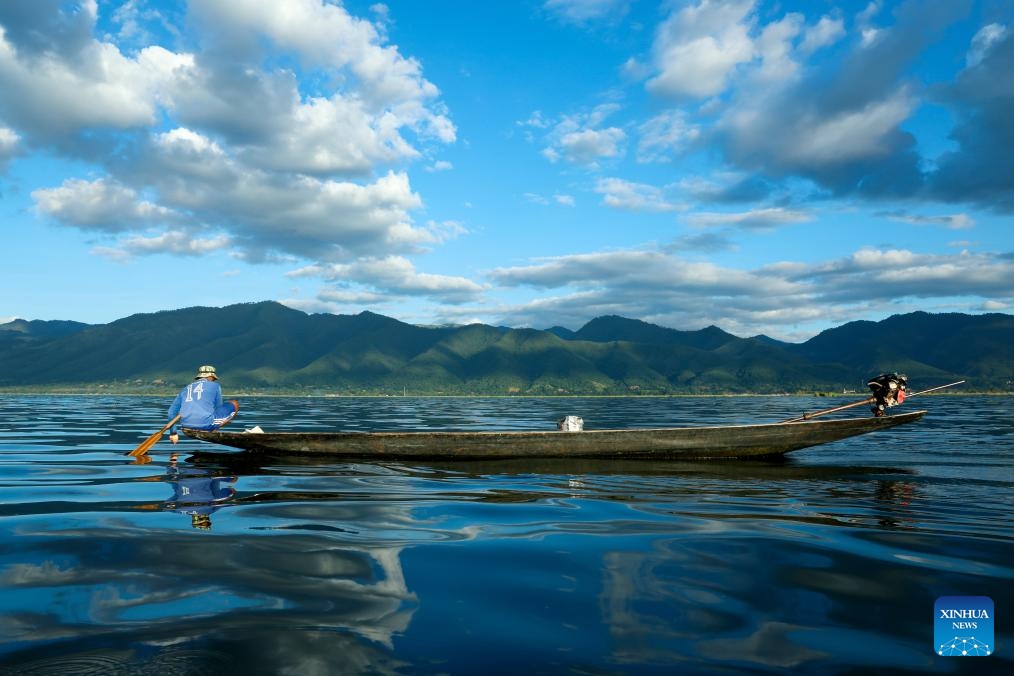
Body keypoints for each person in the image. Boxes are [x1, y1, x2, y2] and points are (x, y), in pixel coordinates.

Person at [167, 365, 239, 444]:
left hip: (185, 425)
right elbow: (219, 407)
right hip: (206, 424)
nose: (213, 381)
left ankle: (212, 424)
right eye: (213, 379)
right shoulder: (215, 385)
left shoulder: (186, 388)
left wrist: (173, 433)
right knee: (234, 403)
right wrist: (226, 420)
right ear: (210, 377)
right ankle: (214, 430)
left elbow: (171, 412)